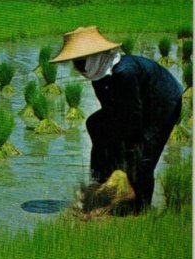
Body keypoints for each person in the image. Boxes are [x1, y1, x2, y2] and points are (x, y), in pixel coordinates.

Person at [50, 26, 183, 212]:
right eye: (76, 61)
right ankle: (101, 181)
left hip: (163, 102)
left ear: (96, 55)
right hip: (139, 102)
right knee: (95, 123)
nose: (78, 67)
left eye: (81, 61)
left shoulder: (124, 72)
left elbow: (133, 115)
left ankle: (140, 209)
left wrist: (129, 153)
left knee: (142, 156)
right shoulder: (99, 74)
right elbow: (112, 112)